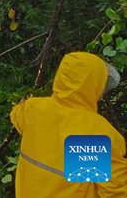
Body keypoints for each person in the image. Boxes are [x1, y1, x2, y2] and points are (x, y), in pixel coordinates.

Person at [11, 52, 127, 197]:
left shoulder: (33, 110)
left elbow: (16, 114)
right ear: (92, 86)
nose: (102, 94)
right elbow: (114, 191)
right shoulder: (94, 132)